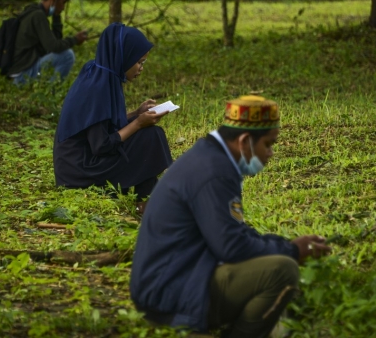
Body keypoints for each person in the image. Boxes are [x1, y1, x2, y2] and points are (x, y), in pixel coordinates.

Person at [130, 96, 332, 337]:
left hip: (173, 276)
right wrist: (292, 251)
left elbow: (232, 234)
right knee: (283, 270)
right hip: (169, 292)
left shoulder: (210, 157)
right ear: (245, 141)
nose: (271, 153)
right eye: (268, 144)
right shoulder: (215, 171)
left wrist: (280, 246)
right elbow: (232, 246)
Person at [53, 23, 172, 214]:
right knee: (150, 137)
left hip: (76, 166)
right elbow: (101, 145)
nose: (141, 68)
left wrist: (135, 113)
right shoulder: (98, 87)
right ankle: (146, 202)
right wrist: (138, 123)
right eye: (139, 62)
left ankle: (148, 198)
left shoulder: (99, 72)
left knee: (148, 135)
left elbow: (99, 121)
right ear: (123, 57)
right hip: (79, 173)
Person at [8, 0, 87, 85]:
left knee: (63, 52)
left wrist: (56, 17)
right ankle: (52, 89)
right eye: (63, 2)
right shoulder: (38, 16)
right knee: (68, 55)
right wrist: (75, 40)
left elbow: (55, 42)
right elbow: (53, 46)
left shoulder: (34, 12)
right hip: (22, 75)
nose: (63, 8)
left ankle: (48, 84)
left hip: (21, 72)